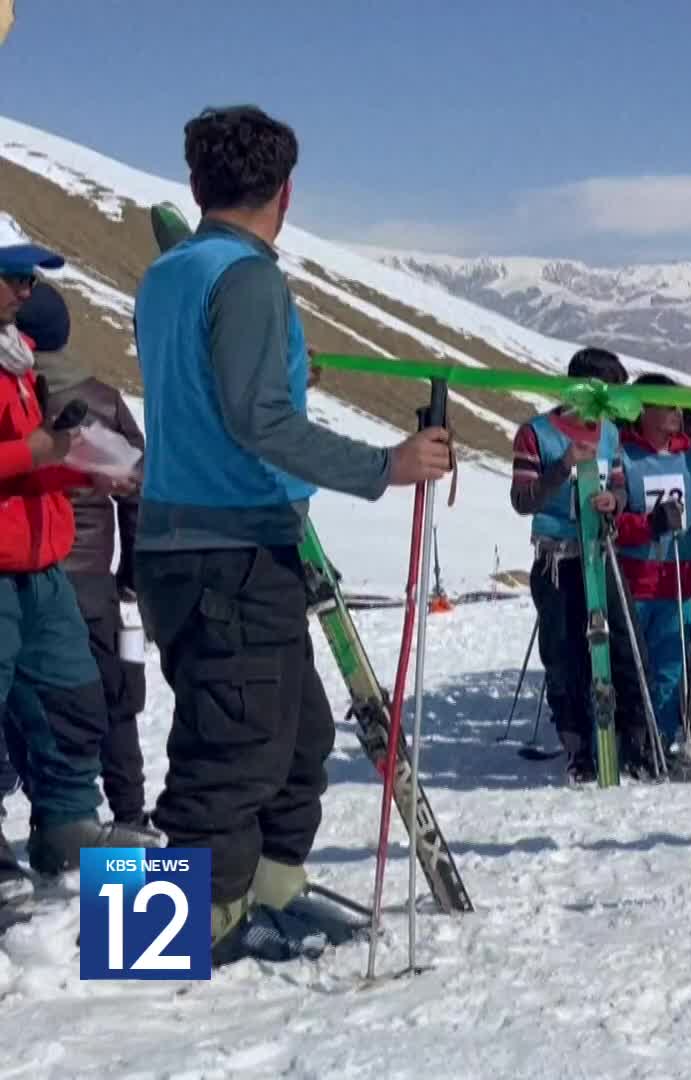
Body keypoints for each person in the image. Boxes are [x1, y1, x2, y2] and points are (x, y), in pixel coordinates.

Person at [133, 105, 452, 964]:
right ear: (285, 192)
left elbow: (213, 387)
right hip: (227, 544)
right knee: (229, 751)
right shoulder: (247, 279)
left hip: (192, 542)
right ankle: (155, 951)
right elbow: (256, 419)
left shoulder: (173, 273)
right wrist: (387, 463)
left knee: (297, 732)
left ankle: (264, 896)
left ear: (199, 184)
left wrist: (277, 360)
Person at [0, 243, 160, 907]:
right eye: (13, 279)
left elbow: (32, 461)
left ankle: (66, 828)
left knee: (74, 698)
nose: (24, 293)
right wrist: (41, 449)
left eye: (28, 281)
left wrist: (82, 469)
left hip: (43, 567)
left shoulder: (15, 361)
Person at [18, 282, 150, 826]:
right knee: (115, 705)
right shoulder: (103, 397)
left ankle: (46, 832)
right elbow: (138, 485)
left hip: (25, 576)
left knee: (23, 708)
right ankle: (130, 818)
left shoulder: (22, 392)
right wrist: (131, 575)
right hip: (92, 581)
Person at [509, 347, 629, 783]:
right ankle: (576, 746)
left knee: (610, 648)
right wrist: (563, 466)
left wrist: (613, 501)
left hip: (599, 557)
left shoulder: (610, 434)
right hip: (556, 560)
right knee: (563, 654)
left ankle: (616, 739)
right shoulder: (536, 433)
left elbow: (621, 488)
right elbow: (523, 500)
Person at [614, 375, 691, 778]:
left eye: (679, 406)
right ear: (644, 410)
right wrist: (649, 525)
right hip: (636, 578)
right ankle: (630, 740)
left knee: (670, 667)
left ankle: (661, 739)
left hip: (680, 578)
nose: (678, 413)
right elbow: (612, 522)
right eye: (668, 406)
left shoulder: (690, 455)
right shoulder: (625, 454)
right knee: (632, 665)